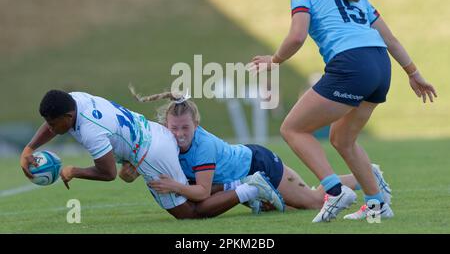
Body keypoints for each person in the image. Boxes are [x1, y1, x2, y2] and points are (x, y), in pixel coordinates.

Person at [249, 0, 437, 222]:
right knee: (342, 138)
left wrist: (274, 61)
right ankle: (377, 206)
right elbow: (390, 39)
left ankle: (334, 190)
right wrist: (413, 73)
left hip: (351, 66)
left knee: (293, 129)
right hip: (380, 65)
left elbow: (297, 36)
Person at [19, 90, 284, 219]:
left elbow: (108, 173)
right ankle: (237, 186)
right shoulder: (74, 99)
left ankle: (249, 189)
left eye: (54, 125)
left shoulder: (89, 130)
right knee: (190, 189)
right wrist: (30, 148)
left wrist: (74, 171)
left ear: (68, 116)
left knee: (190, 213)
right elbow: (53, 121)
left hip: (151, 154)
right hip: (152, 133)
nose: (51, 129)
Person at [127, 86, 391, 213]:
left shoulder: (202, 147)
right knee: (305, 197)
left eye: (186, 128)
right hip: (246, 164)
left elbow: (201, 192)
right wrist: (133, 168)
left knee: (311, 203)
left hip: (258, 164)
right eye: (174, 128)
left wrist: (172, 185)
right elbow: (145, 161)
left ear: (197, 124)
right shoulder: (165, 137)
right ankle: (367, 174)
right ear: (165, 125)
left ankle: (366, 177)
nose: (180, 134)